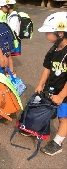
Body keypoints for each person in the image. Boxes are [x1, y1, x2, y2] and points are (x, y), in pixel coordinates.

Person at [33, 12, 67, 156]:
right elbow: (47, 67)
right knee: (46, 109)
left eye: (48, 32)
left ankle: (58, 142)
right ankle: (41, 129)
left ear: (60, 33)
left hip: (64, 92)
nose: (46, 35)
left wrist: (61, 96)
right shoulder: (53, 49)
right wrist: (40, 84)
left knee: (63, 118)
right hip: (52, 87)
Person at [0, 0, 19, 76]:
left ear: (7, 5)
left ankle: (6, 72)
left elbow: (11, 30)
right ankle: (11, 72)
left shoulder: (14, 17)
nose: (1, 8)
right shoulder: (10, 16)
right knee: (9, 56)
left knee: (6, 55)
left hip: (9, 39)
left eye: (2, 6)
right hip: (8, 39)